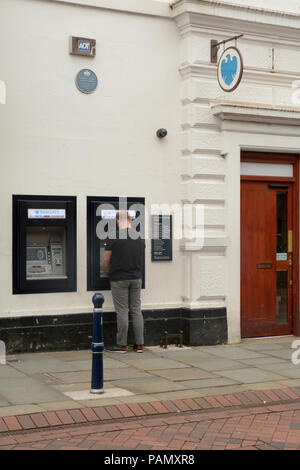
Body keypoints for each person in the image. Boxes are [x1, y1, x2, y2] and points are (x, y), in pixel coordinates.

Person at [102, 210, 145, 353]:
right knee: (136, 310)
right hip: (136, 278)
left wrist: (109, 271)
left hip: (119, 279)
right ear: (130, 221)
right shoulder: (139, 237)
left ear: (116, 221)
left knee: (122, 311)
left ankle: (121, 345)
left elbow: (106, 259)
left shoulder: (113, 237)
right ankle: (139, 345)